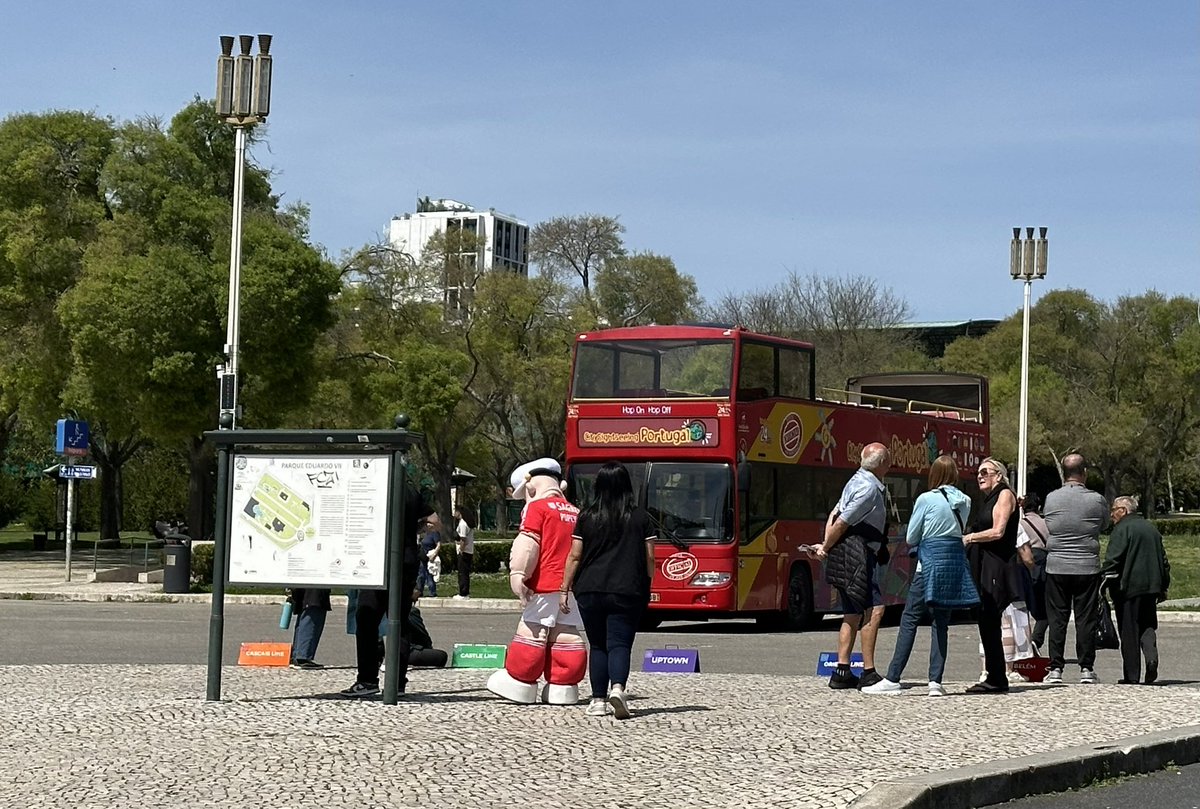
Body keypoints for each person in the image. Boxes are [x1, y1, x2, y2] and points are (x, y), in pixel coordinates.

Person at [862, 455, 977, 697]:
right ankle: (935, 681)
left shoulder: (926, 499)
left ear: (934, 475)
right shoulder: (965, 501)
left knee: (910, 619)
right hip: (952, 566)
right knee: (941, 624)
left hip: (928, 566)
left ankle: (894, 676)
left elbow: (912, 536)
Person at [486, 457, 587, 706]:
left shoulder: (536, 508)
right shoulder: (575, 511)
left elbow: (528, 544)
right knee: (567, 635)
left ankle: (521, 682)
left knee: (533, 631)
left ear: (531, 487)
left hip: (544, 584)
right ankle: (563, 686)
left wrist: (518, 574)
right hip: (572, 587)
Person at [559, 462, 655, 719]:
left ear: (598, 486)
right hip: (627, 588)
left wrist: (564, 588)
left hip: (590, 588)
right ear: (627, 486)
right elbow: (650, 559)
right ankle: (618, 688)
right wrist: (647, 585)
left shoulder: (587, 516)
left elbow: (575, 556)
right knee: (620, 643)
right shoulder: (640, 517)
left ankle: (598, 700)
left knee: (598, 645)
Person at [341, 484, 437, 698]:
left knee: (366, 618)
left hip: (378, 559)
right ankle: (397, 683)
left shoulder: (372, 484)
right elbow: (434, 520)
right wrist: (413, 528)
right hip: (406, 558)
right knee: (400, 622)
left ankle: (367, 680)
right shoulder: (409, 489)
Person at [814, 442, 891, 690]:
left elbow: (834, 514)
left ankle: (842, 671)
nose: (891, 462)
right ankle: (869, 673)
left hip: (849, 552)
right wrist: (825, 548)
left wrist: (827, 544)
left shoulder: (855, 481)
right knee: (875, 609)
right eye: (888, 458)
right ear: (881, 464)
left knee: (852, 612)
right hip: (858, 555)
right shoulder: (868, 488)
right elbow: (843, 521)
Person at [1041, 453, 1109, 685]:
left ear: (1064, 472)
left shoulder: (1051, 498)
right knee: (1085, 619)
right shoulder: (1097, 500)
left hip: (1056, 564)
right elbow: (1104, 524)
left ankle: (1056, 668)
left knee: (1056, 618)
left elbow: (1049, 524)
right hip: (1086, 566)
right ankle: (1086, 668)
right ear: (1084, 473)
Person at [961, 456, 1019, 693]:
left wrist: (970, 538)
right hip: (984, 564)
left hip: (997, 565)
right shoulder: (988, 499)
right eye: (978, 473)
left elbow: (998, 531)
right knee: (986, 619)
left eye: (986, 471)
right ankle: (995, 675)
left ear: (999, 475)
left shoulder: (1005, 494)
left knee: (990, 616)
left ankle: (997, 678)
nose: (980, 476)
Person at [1101, 496, 1170, 685]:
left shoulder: (1122, 529)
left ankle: (1132, 676)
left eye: (1114, 509)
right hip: (1151, 587)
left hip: (1128, 588)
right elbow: (1164, 561)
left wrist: (1102, 577)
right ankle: (1151, 657)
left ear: (1123, 511)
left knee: (1129, 631)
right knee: (1147, 625)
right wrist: (1163, 586)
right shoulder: (1151, 528)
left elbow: (1113, 559)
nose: (1112, 514)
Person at [1018, 493, 1050, 652]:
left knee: (1024, 607)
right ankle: (1036, 640)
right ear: (1038, 507)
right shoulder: (1046, 523)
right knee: (1044, 608)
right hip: (1045, 564)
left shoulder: (1020, 525)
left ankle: (1027, 643)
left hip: (1026, 564)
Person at [287, 588, 332, 669]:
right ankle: (302, 657)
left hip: (304, 589)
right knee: (312, 617)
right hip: (314, 589)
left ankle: (297, 655)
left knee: (304, 617)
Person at [453, 506, 476, 599]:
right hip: (469, 550)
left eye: (456, 512)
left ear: (460, 512)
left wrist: (461, 550)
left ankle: (463, 593)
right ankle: (465, 591)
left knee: (462, 572)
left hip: (464, 551)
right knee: (465, 572)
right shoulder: (467, 523)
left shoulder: (463, 524)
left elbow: (463, 539)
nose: (454, 514)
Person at [417, 521, 442, 597]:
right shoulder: (425, 534)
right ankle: (419, 591)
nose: (428, 525)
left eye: (430, 523)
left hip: (430, 556)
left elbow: (438, 545)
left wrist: (434, 555)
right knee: (421, 575)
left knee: (429, 575)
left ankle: (432, 592)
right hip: (423, 557)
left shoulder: (435, 533)